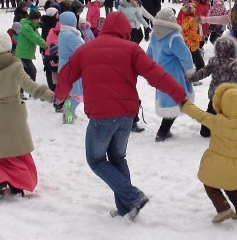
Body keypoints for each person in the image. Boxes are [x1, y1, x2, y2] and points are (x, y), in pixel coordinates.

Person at [54, 12, 187, 220]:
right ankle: (126, 207)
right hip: (126, 116)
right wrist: (179, 94)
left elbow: (66, 75)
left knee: (96, 159)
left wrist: (59, 97)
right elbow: (156, 73)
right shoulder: (132, 49)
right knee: (117, 157)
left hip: (101, 116)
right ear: (125, 30)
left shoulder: (85, 50)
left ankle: (132, 196)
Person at [180, 84, 237, 223]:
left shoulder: (216, 120)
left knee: (210, 185)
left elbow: (198, 114)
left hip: (215, 163)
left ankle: (223, 208)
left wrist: (185, 104)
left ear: (221, 103)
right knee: (231, 188)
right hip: (236, 166)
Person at [0, 33, 54, 198]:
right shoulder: (14, 64)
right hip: (12, 113)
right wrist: (49, 95)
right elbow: (29, 85)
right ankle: (17, 184)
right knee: (16, 152)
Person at [146, 8, 195, 141]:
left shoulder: (154, 36)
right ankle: (162, 131)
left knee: (168, 101)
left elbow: (148, 55)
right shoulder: (174, 37)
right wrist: (190, 71)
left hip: (159, 74)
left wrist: (150, 72)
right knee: (176, 100)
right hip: (174, 75)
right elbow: (186, 57)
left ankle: (164, 130)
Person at [189, 37, 237, 137]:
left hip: (214, 94)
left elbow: (204, 72)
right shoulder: (231, 63)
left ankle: (205, 131)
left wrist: (193, 77)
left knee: (210, 113)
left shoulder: (213, 61)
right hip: (227, 94)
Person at [58, 12, 85, 123]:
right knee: (75, 93)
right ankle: (68, 116)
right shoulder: (69, 35)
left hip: (68, 65)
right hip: (70, 67)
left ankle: (69, 113)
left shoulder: (64, 32)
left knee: (72, 92)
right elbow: (81, 50)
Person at [15, 10, 48, 82]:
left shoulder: (31, 26)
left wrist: (42, 24)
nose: (38, 21)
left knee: (25, 72)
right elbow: (36, 38)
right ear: (33, 19)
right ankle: (31, 90)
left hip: (25, 53)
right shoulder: (26, 27)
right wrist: (47, 46)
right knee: (32, 71)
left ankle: (21, 89)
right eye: (37, 19)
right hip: (23, 53)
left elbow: (37, 33)